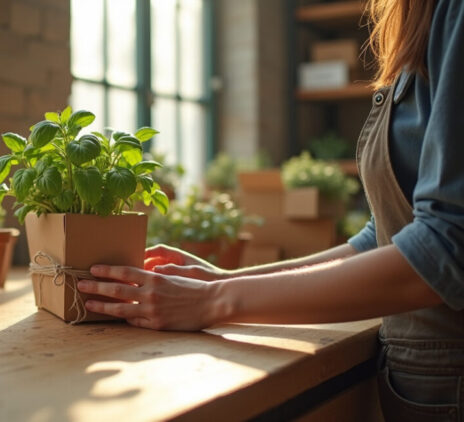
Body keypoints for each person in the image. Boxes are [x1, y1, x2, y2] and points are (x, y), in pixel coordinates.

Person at [78, 0, 464, 419]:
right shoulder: (418, 17)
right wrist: (225, 279)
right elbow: (381, 237)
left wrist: (213, 300)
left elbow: (441, 250)